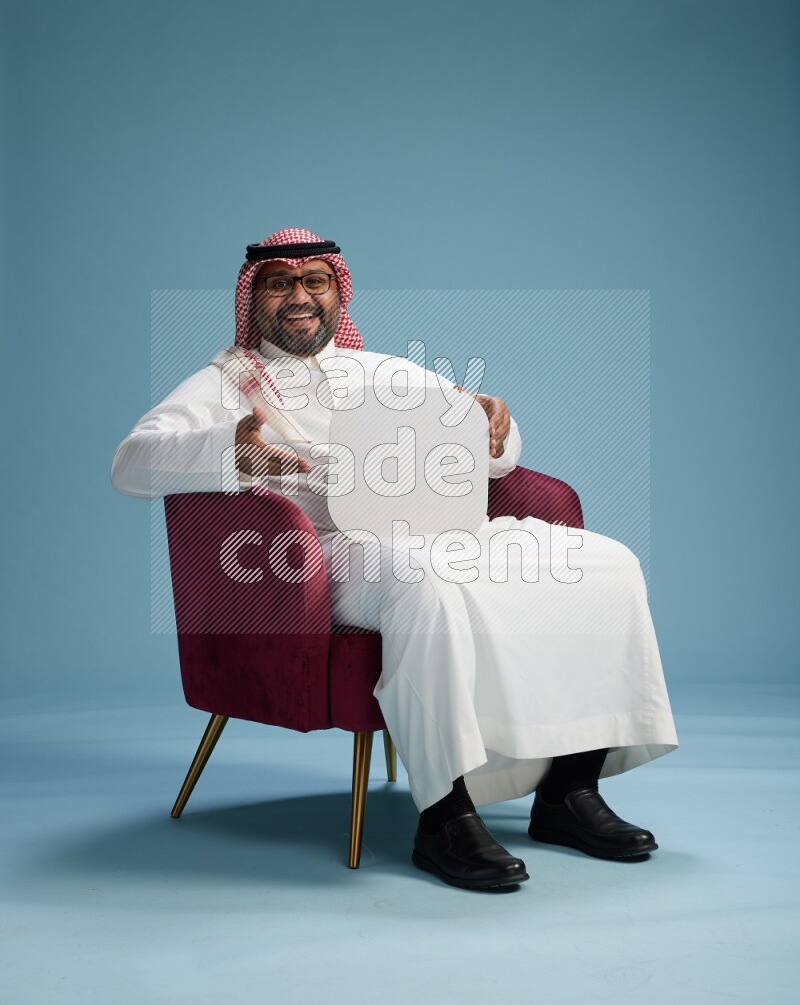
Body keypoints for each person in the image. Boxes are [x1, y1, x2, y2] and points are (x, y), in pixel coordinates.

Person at [112, 227, 678, 891]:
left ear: (337, 293)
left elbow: (494, 455)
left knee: (602, 564)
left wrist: (495, 420)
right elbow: (131, 462)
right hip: (322, 553)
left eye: (314, 282)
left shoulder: (386, 371)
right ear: (253, 298)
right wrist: (227, 449)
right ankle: (445, 816)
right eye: (280, 283)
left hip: (444, 530)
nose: (300, 296)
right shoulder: (224, 383)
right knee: (426, 588)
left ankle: (568, 790)